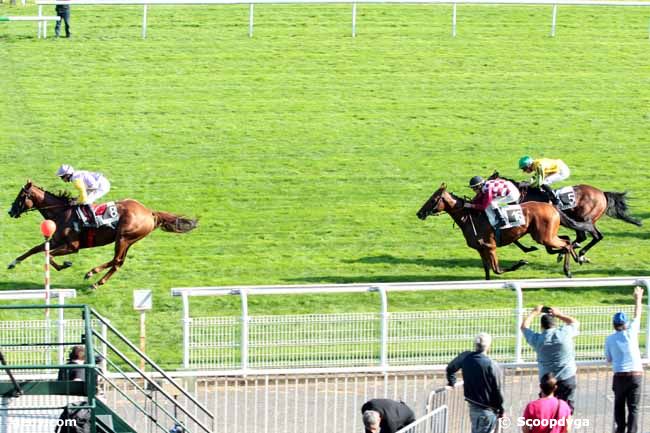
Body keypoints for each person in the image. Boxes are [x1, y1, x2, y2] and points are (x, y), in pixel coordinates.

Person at [521, 305, 579, 413]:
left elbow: (524, 327)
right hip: (567, 378)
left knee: (546, 412)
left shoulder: (538, 340)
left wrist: (534, 312)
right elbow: (574, 322)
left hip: (547, 382)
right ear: (555, 324)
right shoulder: (564, 333)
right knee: (566, 413)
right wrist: (559, 314)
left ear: (541, 326)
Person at [447, 333, 504, 433]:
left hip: (473, 406)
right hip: (487, 410)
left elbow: (450, 368)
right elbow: (497, 389)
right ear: (489, 347)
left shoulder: (466, 357)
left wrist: (452, 382)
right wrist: (501, 408)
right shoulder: (492, 365)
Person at [605, 286, 644, 433]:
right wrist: (638, 298)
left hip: (620, 375)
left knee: (619, 406)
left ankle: (620, 430)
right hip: (636, 375)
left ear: (614, 325)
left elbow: (608, 359)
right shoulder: (632, 331)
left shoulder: (609, 339)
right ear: (625, 324)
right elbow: (637, 314)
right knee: (633, 408)